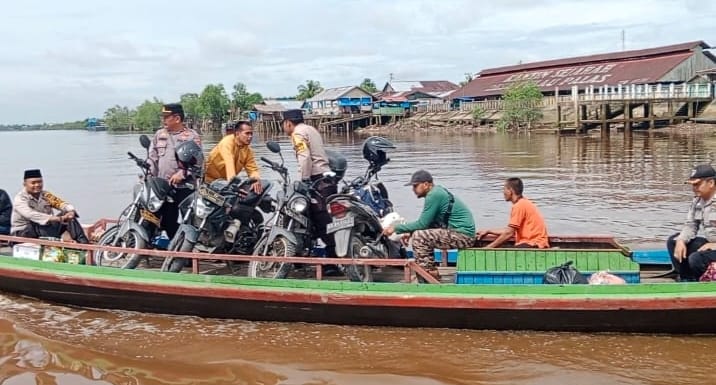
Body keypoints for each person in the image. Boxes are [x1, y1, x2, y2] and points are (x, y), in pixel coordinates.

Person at [383, 170, 475, 279]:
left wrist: (395, 228)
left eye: (415, 186)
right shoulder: (437, 192)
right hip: (461, 234)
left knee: (419, 237)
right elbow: (429, 223)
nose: (413, 190)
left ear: (426, 184)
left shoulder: (434, 195)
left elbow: (422, 224)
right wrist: (410, 232)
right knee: (418, 234)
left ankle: (428, 276)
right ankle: (431, 272)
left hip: (463, 236)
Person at [281, 109, 339, 270]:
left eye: (283, 124)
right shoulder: (311, 129)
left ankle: (332, 262)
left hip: (316, 181)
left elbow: (304, 156)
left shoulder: (297, 134)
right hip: (327, 180)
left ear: (288, 123)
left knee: (320, 222)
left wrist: (304, 181)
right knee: (323, 220)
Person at [148, 103, 202, 238]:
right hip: (163, 187)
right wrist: (149, 177)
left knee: (188, 221)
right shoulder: (159, 135)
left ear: (177, 118)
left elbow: (198, 162)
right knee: (167, 221)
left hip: (185, 187)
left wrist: (182, 173)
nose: (163, 120)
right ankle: (173, 246)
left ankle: (187, 251)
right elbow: (152, 159)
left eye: (166, 117)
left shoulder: (192, 136)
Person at [10, 169, 89, 243]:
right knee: (38, 223)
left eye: (40, 182)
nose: (37, 185)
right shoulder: (20, 199)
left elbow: (61, 203)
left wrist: (70, 211)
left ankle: (84, 244)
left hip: (44, 230)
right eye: (33, 183)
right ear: (25, 184)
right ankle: (55, 246)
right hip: (22, 233)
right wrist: (58, 219)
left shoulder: (45, 195)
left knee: (68, 215)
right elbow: (31, 215)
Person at [666, 164, 716, 281]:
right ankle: (686, 279)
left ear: (711, 183)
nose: (694, 188)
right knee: (673, 242)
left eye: (697, 184)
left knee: (696, 259)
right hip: (712, 244)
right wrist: (681, 240)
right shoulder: (697, 201)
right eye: (693, 185)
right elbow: (691, 225)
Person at [476, 177, 550, 249]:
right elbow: (510, 230)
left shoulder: (520, 205)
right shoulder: (523, 203)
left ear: (510, 190)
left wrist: (488, 248)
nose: (503, 192)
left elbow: (509, 233)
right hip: (534, 243)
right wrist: (489, 231)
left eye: (504, 189)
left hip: (534, 244)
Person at [204, 120, 262, 193]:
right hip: (210, 182)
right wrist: (233, 185)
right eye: (247, 133)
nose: (250, 136)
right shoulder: (227, 142)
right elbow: (229, 163)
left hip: (225, 182)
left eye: (251, 134)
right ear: (237, 133)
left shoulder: (247, 150)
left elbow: (252, 168)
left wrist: (256, 179)